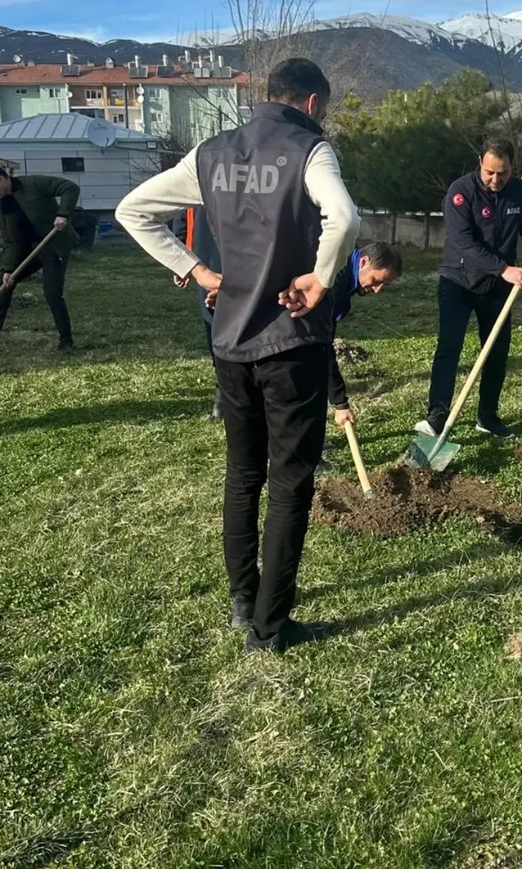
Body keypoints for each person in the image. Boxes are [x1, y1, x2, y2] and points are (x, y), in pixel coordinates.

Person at [116, 57, 359, 653]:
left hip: (229, 343)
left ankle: (243, 602)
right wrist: (320, 278)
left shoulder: (210, 153)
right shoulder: (311, 150)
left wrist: (197, 270)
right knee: (290, 481)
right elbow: (345, 219)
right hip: (292, 342)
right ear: (311, 103)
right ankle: (271, 626)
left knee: (243, 473)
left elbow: (132, 210)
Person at [416, 136, 522, 442]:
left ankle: (488, 417)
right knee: (450, 346)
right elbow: (465, 243)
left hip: (498, 287)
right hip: (458, 281)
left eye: (503, 173)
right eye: (489, 172)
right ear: (480, 164)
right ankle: (438, 414)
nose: (496, 180)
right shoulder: (460, 192)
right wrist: (504, 268)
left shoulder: (519, 191)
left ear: (512, 167)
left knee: (496, 351)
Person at [0, 164, 79, 350]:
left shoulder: (33, 184)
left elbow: (70, 187)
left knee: (52, 292)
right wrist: (9, 269)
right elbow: (11, 241)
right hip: (29, 250)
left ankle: (66, 340)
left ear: (0, 179)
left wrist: (63, 214)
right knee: (4, 281)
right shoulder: (1, 208)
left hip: (53, 246)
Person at [326, 240, 403, 427]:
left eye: (384, 285)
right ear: (363, 262)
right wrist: (340, 403)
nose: (377, 290)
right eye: (377, 281)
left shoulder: (348, 268)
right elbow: (321, 345)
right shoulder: (334, 281)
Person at [172, 205, 223, 419]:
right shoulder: (195, 183)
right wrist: (181, 262)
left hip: (247, 254)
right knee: (213, 323)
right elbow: (183, 216)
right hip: (205, 256)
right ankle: (223, 391)